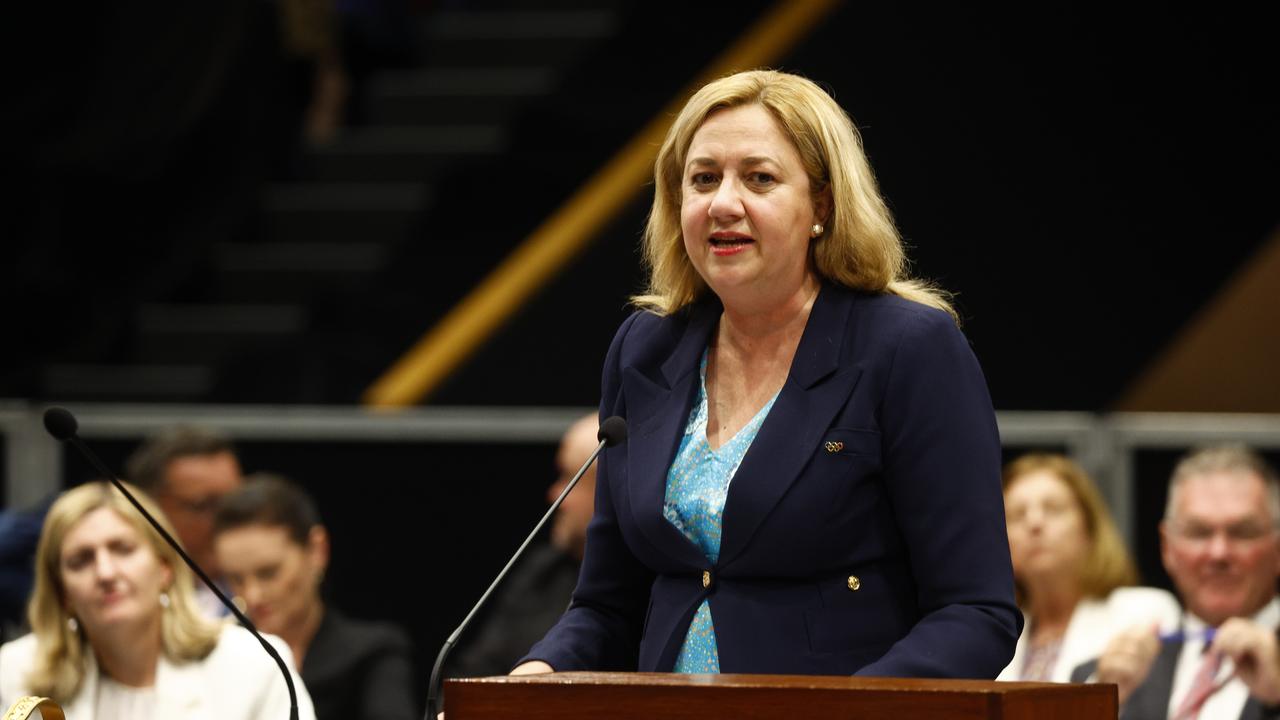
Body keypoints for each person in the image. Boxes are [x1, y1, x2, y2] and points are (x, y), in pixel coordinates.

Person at [516, 69, 1020, 678]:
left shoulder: (908, 348)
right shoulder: (645, 348)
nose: (723, 203)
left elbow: (974, 611)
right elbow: (607, 605)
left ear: (822, 206)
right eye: (703, 179)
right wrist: (534, 678)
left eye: (759, 178)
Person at [0, 481, 314, 719]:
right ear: (63, 591)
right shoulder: (14, 673)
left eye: (122, 549)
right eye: (81, 560)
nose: (106, 572)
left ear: (164, 568)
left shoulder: (253, 663)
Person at [1072, 445, 1280, 719]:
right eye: (1198, 532)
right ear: (1167, 547)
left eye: (1242, 533)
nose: (1218, 553)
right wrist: (1098, 704)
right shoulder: (1107, 679)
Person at [211, 473, 417, 720]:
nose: (252, 595)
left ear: (317, 550)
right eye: (235, 579)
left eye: (268, 573)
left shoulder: (373, 654)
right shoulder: (213, 656)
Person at [997, 453, 1179, 681]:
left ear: (1089, 529)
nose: (1034, 523)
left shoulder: (1142, 613)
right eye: (1016, 515)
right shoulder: (993, 634)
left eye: (1053, 509)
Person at [449, 413, 600, 678]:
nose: (554, 494)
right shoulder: (542, 572)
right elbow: (480, 668)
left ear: (606, 491)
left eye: (569, 478)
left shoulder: (645, 586)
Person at [125, 425, 245, 617]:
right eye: (203, 505)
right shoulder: (121, 599)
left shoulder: (268, 596)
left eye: (235, 502)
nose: (227, 519)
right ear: (150, 508)